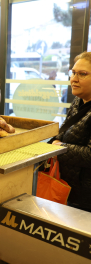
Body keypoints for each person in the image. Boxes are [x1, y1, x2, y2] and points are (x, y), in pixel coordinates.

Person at [50, 51, 91, 212]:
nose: (74, 79)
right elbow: (66, 128)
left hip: (86, 198)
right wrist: (55, 141)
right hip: (69, 188)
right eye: (73, 73)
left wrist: (60, 148)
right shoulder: (78, 100)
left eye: (83, 74)